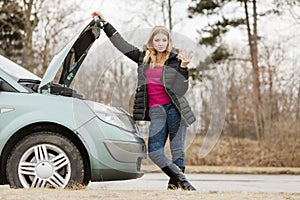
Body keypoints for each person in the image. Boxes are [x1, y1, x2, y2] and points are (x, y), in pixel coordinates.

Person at [92, 11, 196, 191]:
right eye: (157, 40)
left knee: (178, 150)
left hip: (176, 110)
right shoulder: (143, 57)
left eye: (164, 40)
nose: (161, 44)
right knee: (155, 151)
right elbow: (121, 45)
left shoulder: (175, 60)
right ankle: (184, 182)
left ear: (168, 42)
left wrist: (184, 69)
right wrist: (106, 23)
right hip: (157, 111)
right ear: (152, 42)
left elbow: (181, 90)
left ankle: (175, 188)